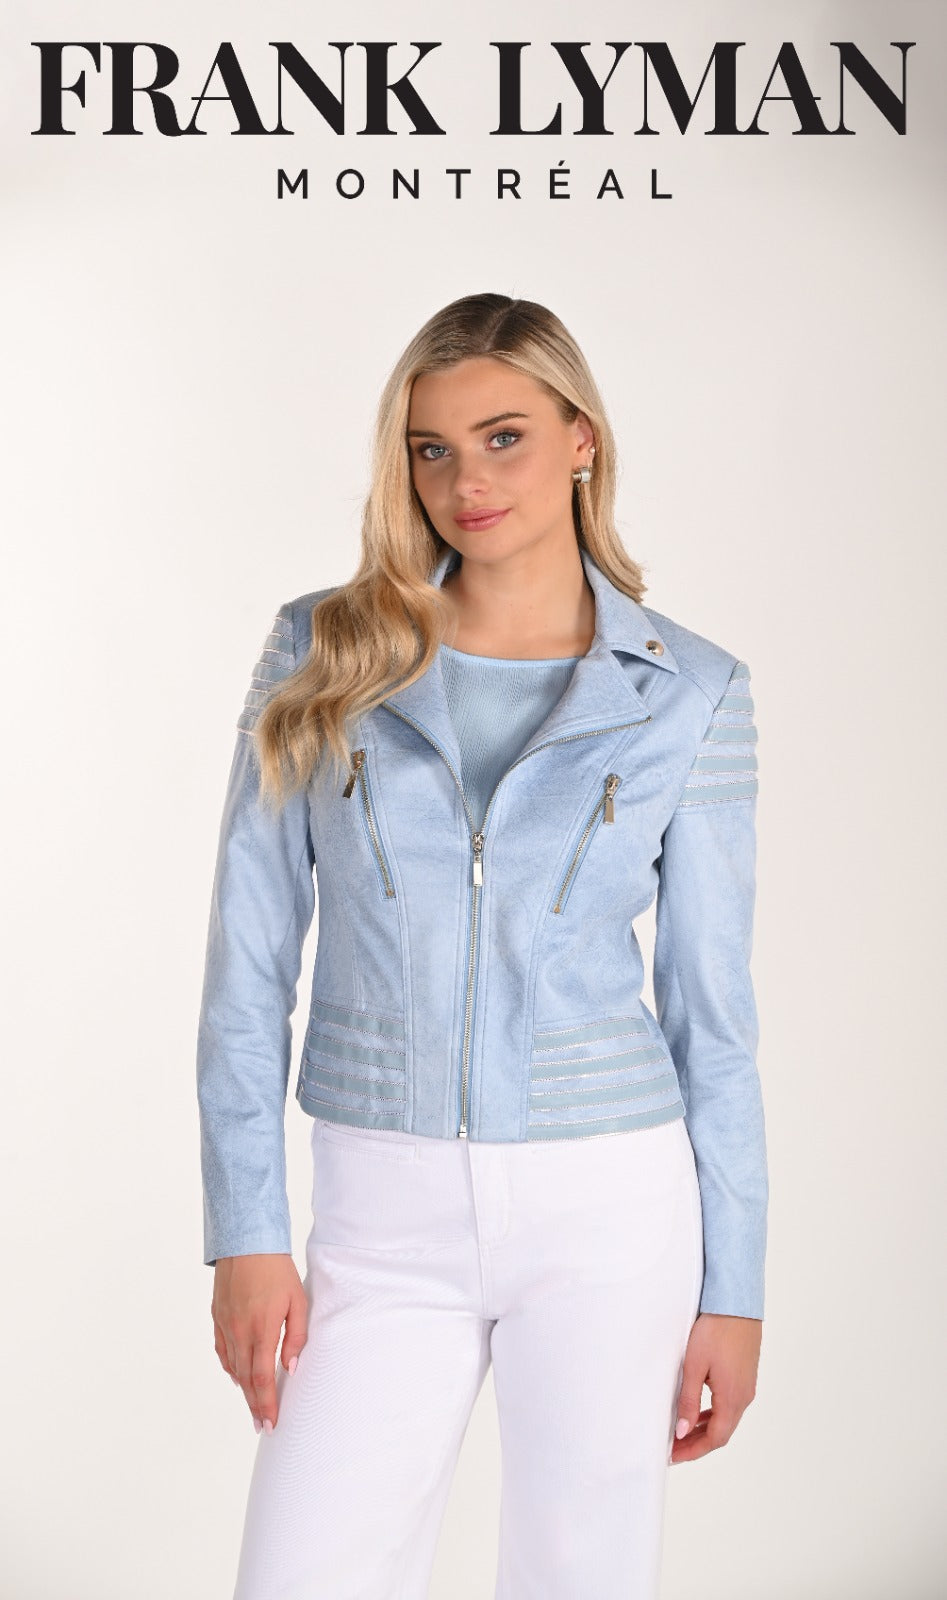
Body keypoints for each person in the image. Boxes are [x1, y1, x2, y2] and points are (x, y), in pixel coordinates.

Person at [196, 292, 768, 1599]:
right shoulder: (321, 651)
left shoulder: (691, 691)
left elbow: (715, 1018)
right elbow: (247, 964)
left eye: (504, 437)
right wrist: (245, 1227)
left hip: (611, 1205)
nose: (467, 482)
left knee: (583, 1577)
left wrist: (734, 1291)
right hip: (377, 1208)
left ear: (582, 439)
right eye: (432, 449)